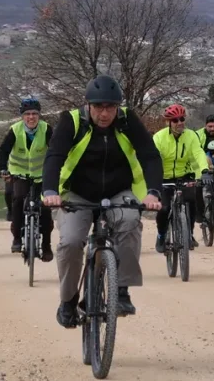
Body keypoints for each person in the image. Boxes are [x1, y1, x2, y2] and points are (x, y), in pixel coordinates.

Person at [42, 75, 163, 327]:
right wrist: (50, 190)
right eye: (99, 107)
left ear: (118, 106)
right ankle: (68, 301)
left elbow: (150, 155)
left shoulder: (128, 121)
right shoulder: (72, 122)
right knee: (71, 242)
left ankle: (121, 291)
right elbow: (54, 156)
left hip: (119, 191)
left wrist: (153, 192)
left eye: (110, 107)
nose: (105, 113)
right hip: (78, 193)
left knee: (130, 222)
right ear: (88, 105)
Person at [0, 99, 54, 256]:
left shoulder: (46, 129)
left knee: (45, 206)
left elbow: (55, 150)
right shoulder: (15, 130)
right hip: (19, 173)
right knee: (18, 199)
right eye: (27, 114)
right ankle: (16, 238)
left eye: (35, 114)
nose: (31, 117)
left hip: (41, 174)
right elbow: (3, 151)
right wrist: (3, 168)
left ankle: (46, 244)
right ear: (22, 116)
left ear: (39, 115)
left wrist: (56, 169)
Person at [153, 103, 210, 252]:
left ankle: (189, 234)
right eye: (175, 120)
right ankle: (161, 235)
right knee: (164, 209)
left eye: (182, 119)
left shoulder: (191, 135)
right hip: (164, 177)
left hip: (185, 175)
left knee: (191, 202)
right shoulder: (159, 137)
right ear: (168, 122)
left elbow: (198, 152)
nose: (179, 123)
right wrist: (153, 178)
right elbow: (153, 158)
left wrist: (204, 170)